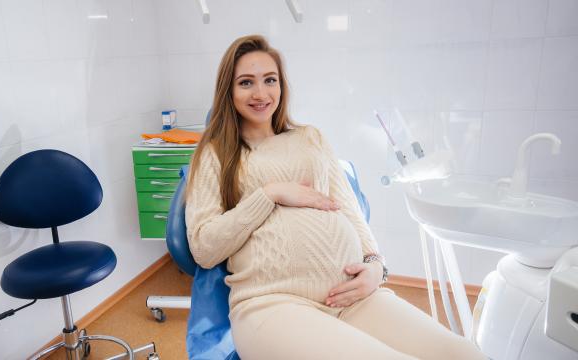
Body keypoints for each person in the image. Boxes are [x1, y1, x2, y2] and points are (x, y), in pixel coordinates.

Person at [185, 34, 485, 360]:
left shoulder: (310, 137)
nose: (260, 93)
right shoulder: (215, 154)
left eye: (269, 80)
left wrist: (376, 265)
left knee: (464, 353)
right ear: (228, 90)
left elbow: (350, 211)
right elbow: (204, 247)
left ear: (281, 86)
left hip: (353, 298)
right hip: (273, 305)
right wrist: (269, 194)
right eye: (246, 83)